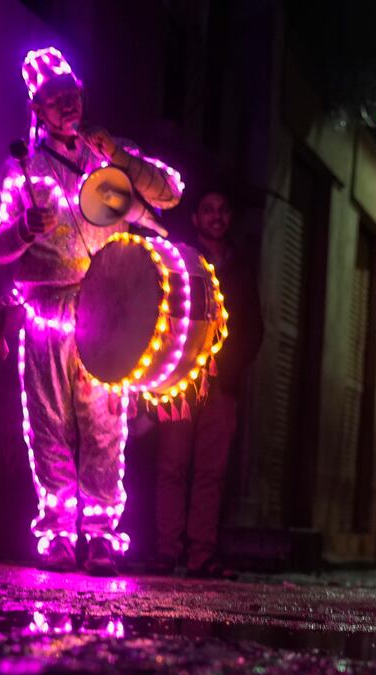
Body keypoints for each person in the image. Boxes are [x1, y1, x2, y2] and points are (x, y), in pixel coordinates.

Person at [0, 46, 182, 576]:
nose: (65, 105)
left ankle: (99, 534)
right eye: (53, 99)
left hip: (105, 315)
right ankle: (56, 534)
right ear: (37, 109)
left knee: (104, 427)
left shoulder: (106, 157)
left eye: (71, 95)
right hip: (46, 313)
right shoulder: (23, 168)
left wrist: (120, 156)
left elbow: (171, 193)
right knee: (48, 422)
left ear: (82, 96)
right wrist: (26, 228)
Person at [151, 188, 264, 578]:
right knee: (172, 464)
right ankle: (167, 552)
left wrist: (229, 367)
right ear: (196, 218)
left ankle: (201, 554)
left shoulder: (241, 266)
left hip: (221, 385)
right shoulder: (181, 260)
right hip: (180, 381)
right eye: (208, 210)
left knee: (211, 471)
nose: (216, 216)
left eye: (223, 209)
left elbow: (254, 328)